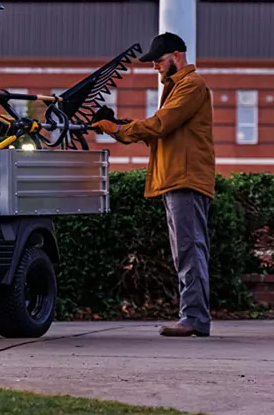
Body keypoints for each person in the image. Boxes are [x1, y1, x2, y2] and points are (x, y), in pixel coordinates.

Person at [92, 32, 216, 337]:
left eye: (158, 61)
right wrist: (118, 126)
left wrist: (119, 130)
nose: (155, 67)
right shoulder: (177, 89)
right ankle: (193, 317)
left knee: (189, 249)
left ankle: (194, 318)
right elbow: (159, 128)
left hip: (185, 180)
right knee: (186, 250)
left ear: (176, 56)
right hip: (176, 179)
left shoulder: (191, 85)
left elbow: (160, 125)